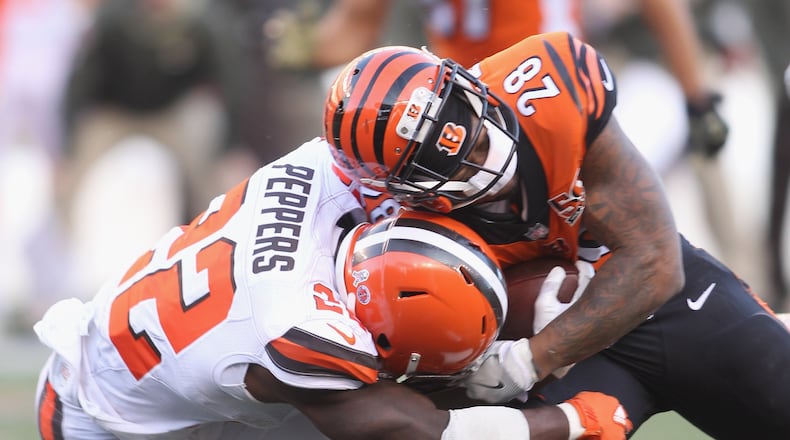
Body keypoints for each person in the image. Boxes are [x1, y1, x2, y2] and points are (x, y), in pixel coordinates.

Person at [323, 33, 790, 438]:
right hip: (555, 362)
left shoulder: (547, 86)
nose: (483, 155)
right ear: (405, 191)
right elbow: (419, 376)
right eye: (454, 164)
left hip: (662, 308)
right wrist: (480, 358)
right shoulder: (400, 236)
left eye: (473, 127)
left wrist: (530, 359)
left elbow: (656, 262)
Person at [34, 137, 632, 440]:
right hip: (98, 416)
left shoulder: (333, 173)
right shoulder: (296, 334)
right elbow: (420, 430)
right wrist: (573, 422)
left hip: (172, 346)